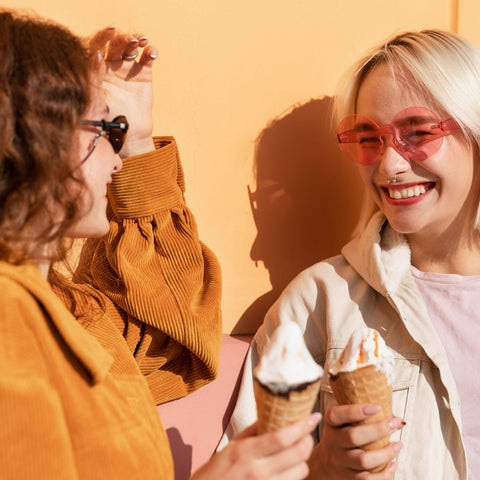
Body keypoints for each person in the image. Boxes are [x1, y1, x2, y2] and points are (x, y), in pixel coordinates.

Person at [0, 10, 320, 479]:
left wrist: (138, 142)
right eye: (105, 131)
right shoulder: (11, 320)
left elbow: (176, 336)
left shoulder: (66, 308)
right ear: (39, 139)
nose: (117, 162)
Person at [223, 29, 480, 479]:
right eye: (368, 138)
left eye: (417, 132)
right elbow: (247, 469)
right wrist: (322, 468)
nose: (389, 165)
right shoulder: (320, 301)